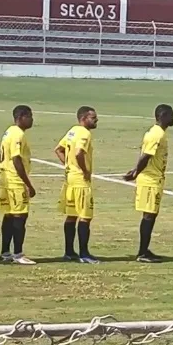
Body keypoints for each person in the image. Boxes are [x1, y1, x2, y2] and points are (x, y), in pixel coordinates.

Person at [125, 104, 173, 262]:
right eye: (171, 115)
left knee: (151, 215)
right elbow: (146, 156)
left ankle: (144, 250)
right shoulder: (157, 134)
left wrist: (135, 171)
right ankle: (142, 253)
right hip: (150, 180)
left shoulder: (157, 133)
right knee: (149, 216)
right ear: (164, 116)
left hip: (154, 178)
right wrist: (135, 172)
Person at [55, 106, 99, 263]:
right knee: (85, 217)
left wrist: (68, 165)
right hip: (80, 180)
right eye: (93, 118)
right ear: (83, 118)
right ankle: (84, 254)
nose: (96, 120)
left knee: (71, 216)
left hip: (70, 179)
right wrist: (84, 170)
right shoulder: (84, 134)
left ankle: (69, 252)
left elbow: (58, 149)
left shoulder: (72, 131)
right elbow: (79, 153)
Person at [0, 105, 37, 265]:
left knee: (9, 216)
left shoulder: (9, 131)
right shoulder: (18, 135)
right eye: (30, 116)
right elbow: (16, 159)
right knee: (20, 216)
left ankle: (5, 252)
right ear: (21, 117)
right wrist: (28, 183)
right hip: (15, 181)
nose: (32, 119)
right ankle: (18, 254)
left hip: (5, 179)